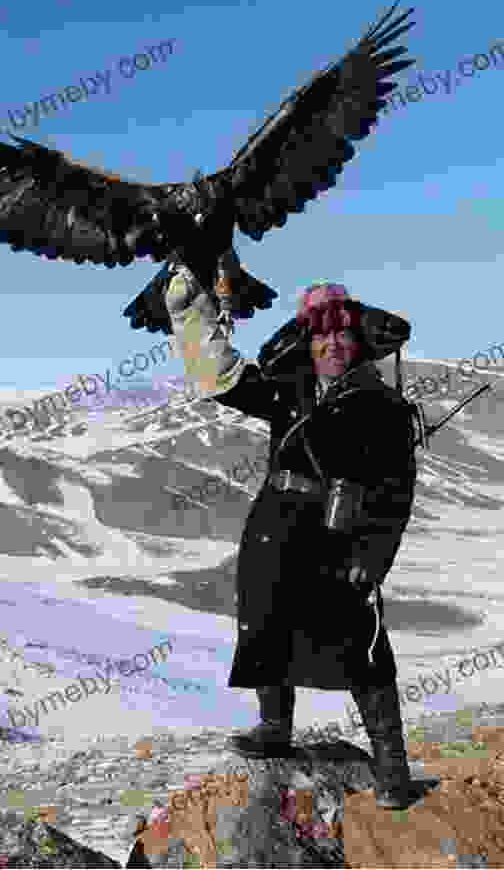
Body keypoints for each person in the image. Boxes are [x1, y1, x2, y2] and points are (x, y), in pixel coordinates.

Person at [164, 255, 436, 809]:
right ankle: (275, 729)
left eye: (341, 334)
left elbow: (395, 491)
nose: (332, 344)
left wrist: (374, 554)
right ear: (308, 345)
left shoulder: (383, 406)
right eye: (321, 336)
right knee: (267, 625)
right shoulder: (289, 391)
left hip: (341, 536)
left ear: (356, 342)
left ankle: (392, 768)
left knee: (363, 643)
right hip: (276, 527)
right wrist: (192, 317)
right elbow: (224, 379)